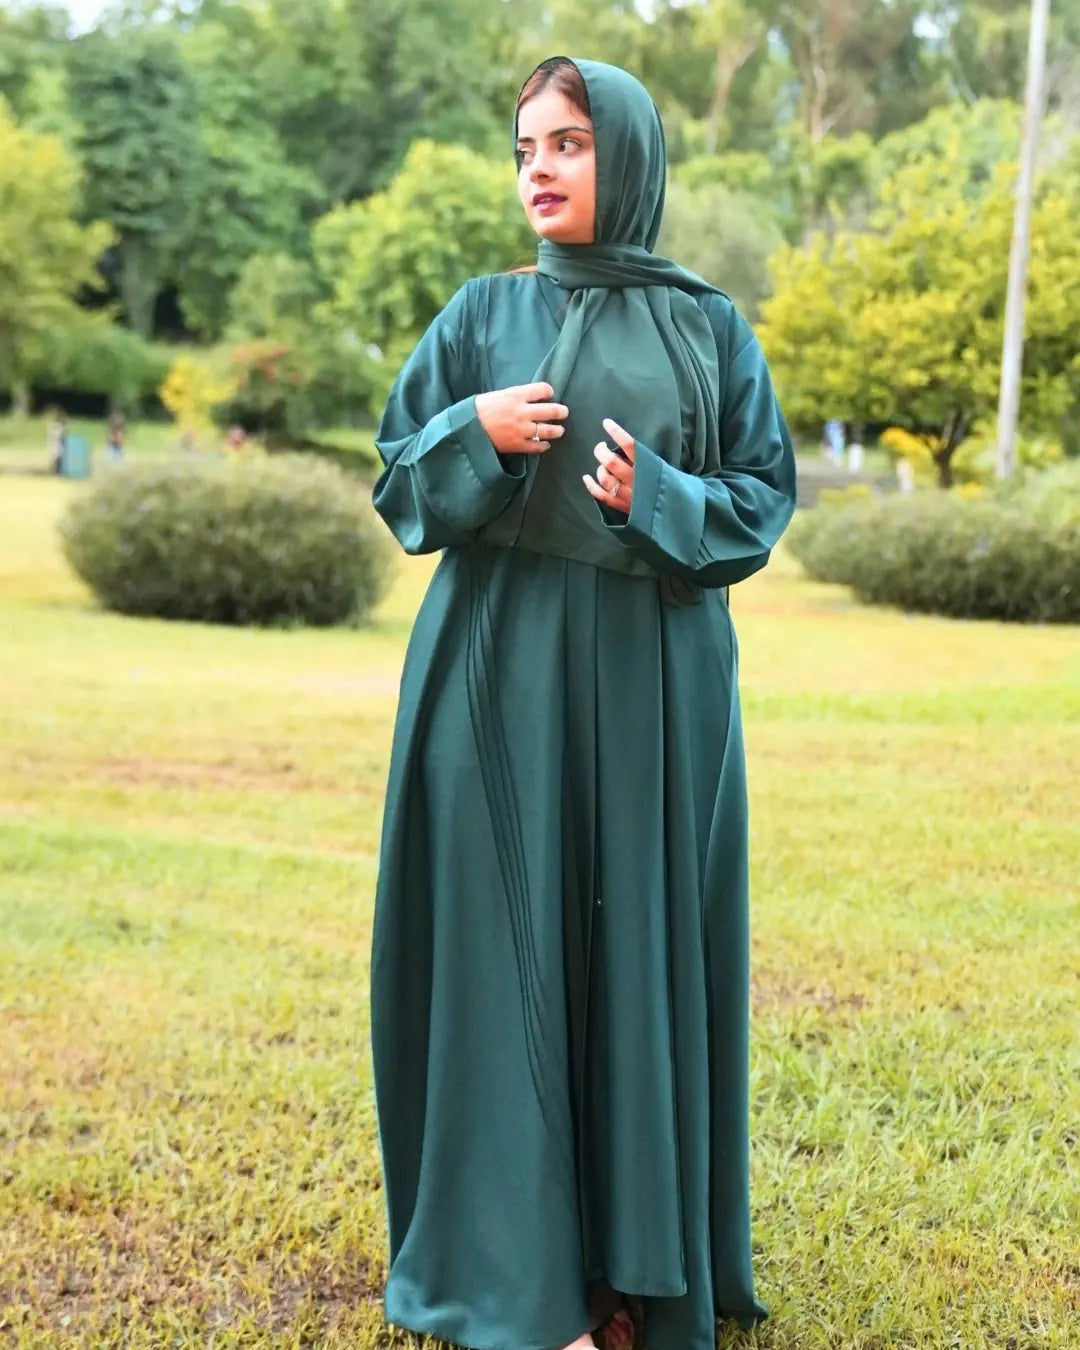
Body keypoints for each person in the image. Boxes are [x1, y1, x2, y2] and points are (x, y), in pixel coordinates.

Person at [370, 56, 797, 1350]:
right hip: (493, 682)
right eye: (523, 148)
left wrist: (654, 498)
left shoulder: (710, 327)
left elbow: (762, 500)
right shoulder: (480, 317)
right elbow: (398, 480)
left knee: (633, 963)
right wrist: (474, 437)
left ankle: (631, 1279)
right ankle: (526, 1286)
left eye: (567, 141)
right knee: (510, 965)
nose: (539, 168)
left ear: (630, 154)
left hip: (655, 692)